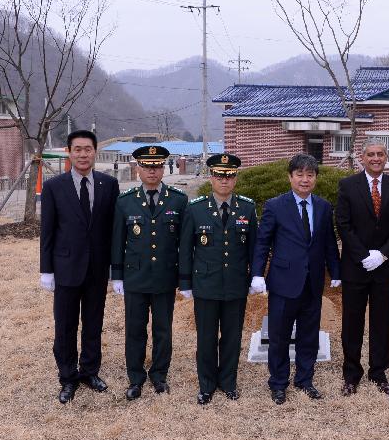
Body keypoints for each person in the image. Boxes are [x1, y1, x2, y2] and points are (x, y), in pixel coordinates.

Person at [251, 153, 341, 404]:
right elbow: (262, 243)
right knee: (279, 336)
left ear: (315, 178)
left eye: (310, 175)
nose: (305, 179)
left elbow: (328, 242)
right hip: (283, 282)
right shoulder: (275, 205)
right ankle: (278, 383)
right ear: (290, 177)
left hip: (313, 282)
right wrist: (257, 273)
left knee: (309, 334)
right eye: (299, 174)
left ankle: (304, 379)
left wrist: (336, 271)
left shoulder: (323, 207)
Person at [40, 129, 119, 404]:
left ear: (95, 152)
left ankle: (89, 371)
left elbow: (112, 229)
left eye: (88, 149)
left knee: (93, 323)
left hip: (97, 268)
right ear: (68, 152)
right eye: (78, 149)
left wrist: (115, 268)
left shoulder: (109, 184)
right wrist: (46, 270)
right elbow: (47, 232)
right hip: (65, 268)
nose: (83, 154)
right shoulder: (53, 187)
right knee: (65, 325)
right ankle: (67, 376)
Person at [111, 145, 188, 400]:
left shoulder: (178, 199)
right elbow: (117, 241)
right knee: (135, 329)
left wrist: (184, 277)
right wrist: (117, 275)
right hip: (135, 278)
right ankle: (135, 377)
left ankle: (159, 375)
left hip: (165, 277)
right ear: (138, 168)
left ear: (164, 168)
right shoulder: (125, 201)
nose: (152, 171)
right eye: (147, 166)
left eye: (156, 166)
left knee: (163, 330)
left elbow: (183, 243)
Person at [179, 153, 257, 405]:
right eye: (219, 175)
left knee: (232, 337)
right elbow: (186, 249)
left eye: (229, 175)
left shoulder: (247, 207)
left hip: (235, 284)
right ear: (211, 176)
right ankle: (207, 385)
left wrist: (255, 277)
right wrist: (186, 283)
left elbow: (254, 248)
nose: (224, 180)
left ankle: (228, 382)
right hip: (206, 285)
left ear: (235, 178)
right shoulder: (196, 208)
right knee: (206, 337)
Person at [336, 137, 389, 396]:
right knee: (352, 322)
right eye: (371, 154)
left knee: (382, 322)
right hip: (356, 267)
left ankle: (379, 372)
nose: (376, 158)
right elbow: (343, 224)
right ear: (362, 158)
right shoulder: (347, 185)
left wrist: (384, 254)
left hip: (385, 268)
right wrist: (363, 254)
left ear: (385, 157)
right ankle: (351, 374)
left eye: (380, 154)